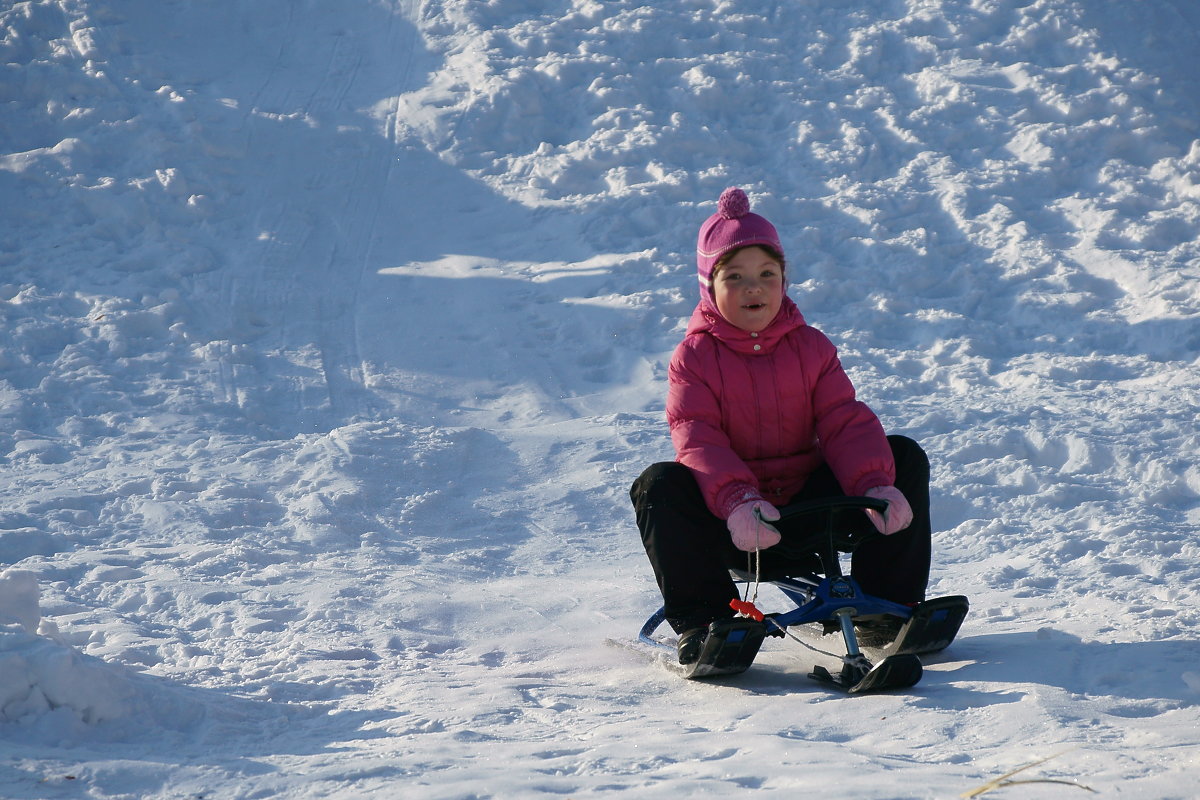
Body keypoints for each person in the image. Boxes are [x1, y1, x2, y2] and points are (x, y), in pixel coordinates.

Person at [630, 186, 932, 665]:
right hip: (734, 521)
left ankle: (887, 607)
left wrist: (875, 484)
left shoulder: (811, 347)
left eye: (767, 274)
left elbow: (843, 420)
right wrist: (737, 500)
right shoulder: (695, 357)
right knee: (659, 484)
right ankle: (708, 622)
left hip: (811, 512)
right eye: (736, 277)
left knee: (903, 456)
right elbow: (697, 435)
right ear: (709, 286)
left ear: (784, 281)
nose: (755, 288)